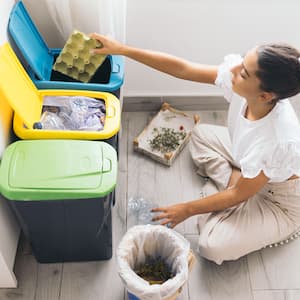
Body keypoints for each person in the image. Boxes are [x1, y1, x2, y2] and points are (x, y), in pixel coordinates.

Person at [91, 33, 300, 264]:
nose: (233, 69)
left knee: (211, 246)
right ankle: (233, 185)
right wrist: (122, 50)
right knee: (200, 134)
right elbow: (183, 68)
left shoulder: (277, 140)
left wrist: (186, 209)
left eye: (243, 73)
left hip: (277, 199)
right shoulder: (244, 84)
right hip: (250, 167)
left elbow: (240, 193)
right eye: (242, 61)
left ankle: (241, 203)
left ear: (265, 95)